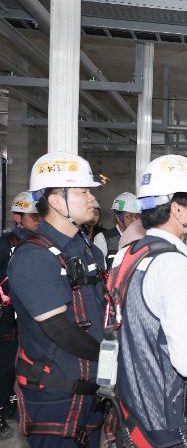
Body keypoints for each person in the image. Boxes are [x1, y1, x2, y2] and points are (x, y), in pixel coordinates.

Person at [111, 155, 187, 447]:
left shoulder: (128, 255)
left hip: (134, 411)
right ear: (179, 208)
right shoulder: (173, 264)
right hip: (169, 421)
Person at [8, 152, 107, 447]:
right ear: (56, 201)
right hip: (56, 399)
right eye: (83, 191)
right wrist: (117, 357)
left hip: (91, 391)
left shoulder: (87, 250)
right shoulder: (33, 256)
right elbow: (61, 331)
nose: (92, 198)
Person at [0, 191, 41, 439]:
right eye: (32, 216)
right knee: (5, 365)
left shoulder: (44, 243)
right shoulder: (6, 243)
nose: (38, 220)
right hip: (7, 316)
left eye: (40, 215)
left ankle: (19, 406)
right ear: (18, 217)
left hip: (35, 314)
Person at [93, 192, 141, 267]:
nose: (134, 220)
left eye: (137, 216)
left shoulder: (144, 236)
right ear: (118, 217)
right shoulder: (103, 239)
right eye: (129, 216)